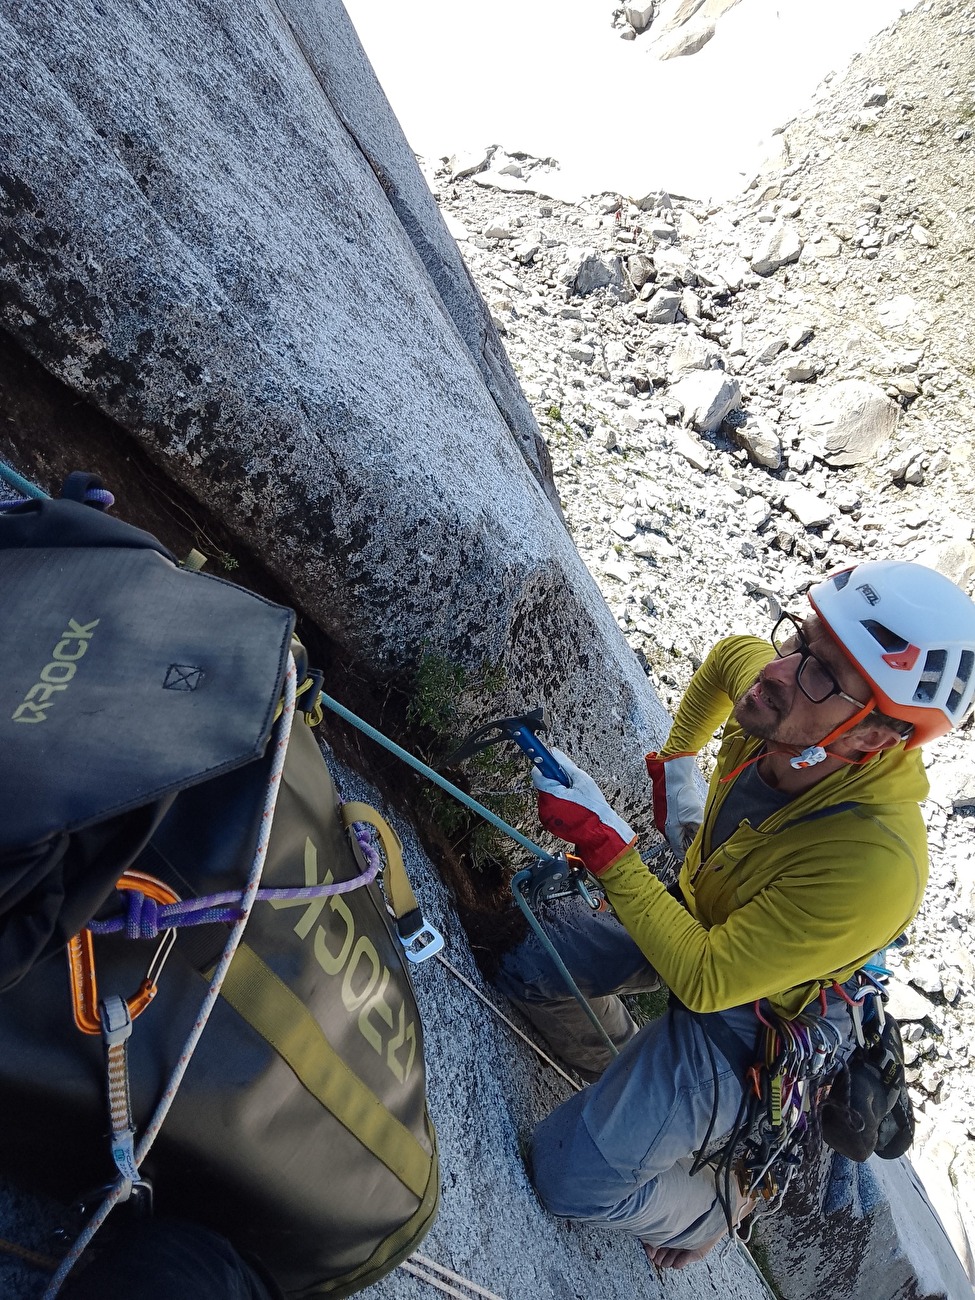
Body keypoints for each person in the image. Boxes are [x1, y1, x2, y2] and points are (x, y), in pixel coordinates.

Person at [496, 559, 975, 1269]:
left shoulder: (874, 864)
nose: (780, 670)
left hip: (754, 1016)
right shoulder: (785, 700)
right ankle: (631, 1081)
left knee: (569, 1180)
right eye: (801, 639)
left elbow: (706, 982)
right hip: (709, 908)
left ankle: (712, 1208)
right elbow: (726, 661)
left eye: (821, 673)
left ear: (870, 739)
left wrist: (606, 843)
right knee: (528, 969)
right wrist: (680, 765)